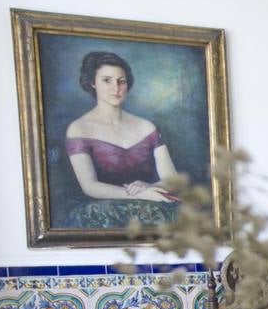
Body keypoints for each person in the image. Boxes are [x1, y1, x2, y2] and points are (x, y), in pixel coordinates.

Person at [65, 51, 182, 227]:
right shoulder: (78, 128)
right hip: (103, 215)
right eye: (107, 80)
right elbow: (89, 186)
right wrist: (139, 194)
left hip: (151, 208)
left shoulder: (146, 127)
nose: (116, 88)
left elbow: (172, 180)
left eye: (121, 81)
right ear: (92, 83)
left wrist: (148, 187)